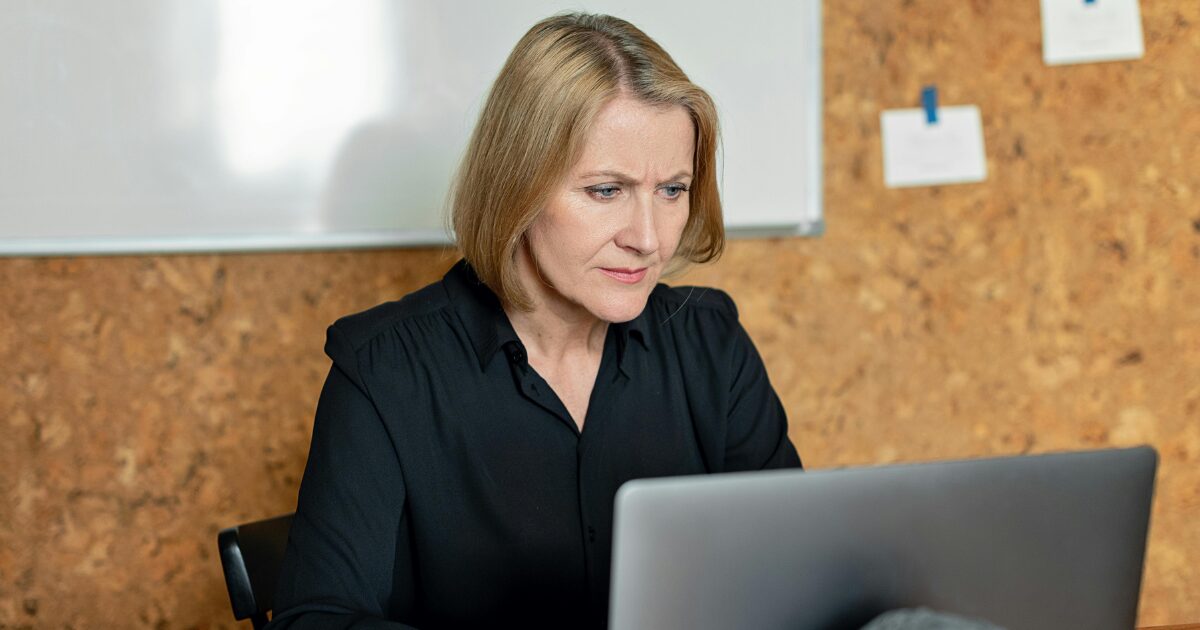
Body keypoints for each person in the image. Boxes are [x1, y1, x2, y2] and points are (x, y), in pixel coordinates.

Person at [266, 13, 801, 629]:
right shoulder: (386, 371)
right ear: (515, 185)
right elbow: (317, 620)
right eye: (606, 190)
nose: (649, 239)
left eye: (673, 190)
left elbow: (790, 574)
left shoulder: (711, 345)